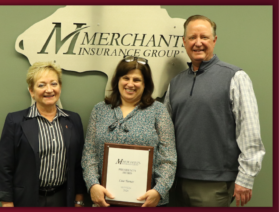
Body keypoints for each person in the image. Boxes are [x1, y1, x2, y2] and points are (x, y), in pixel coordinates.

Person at [164, 15, 265, 207]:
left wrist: (246, 177)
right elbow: (165, 132)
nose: (198, 43)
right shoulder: (175, 83)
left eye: (204, 37)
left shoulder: (235, 77)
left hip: (214, 184)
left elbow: (249, 131)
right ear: (184, 42)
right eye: (192, 37)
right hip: (175, 182)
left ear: (214, 40)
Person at [81, 55, 177, 207]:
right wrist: (93, 184)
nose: (130, 84)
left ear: (145, 84)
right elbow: (89, 154)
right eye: (126, 78)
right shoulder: (100, 110)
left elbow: (168, 157)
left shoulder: (158, 111)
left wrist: (159, 190)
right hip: (104, 201)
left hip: (147, 202)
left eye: (137, 80)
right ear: (117, 80)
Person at [0, 61, 86, 207]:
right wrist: (6, 202)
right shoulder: (15, 121)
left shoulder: (73, 120)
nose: (49, 90)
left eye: (54, 84)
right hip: (27, 199)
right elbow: (5, 166)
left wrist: (79, 199)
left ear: (60, 87)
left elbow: (78, 164)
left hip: (62, 199)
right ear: (31, 91)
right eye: (41, 85)